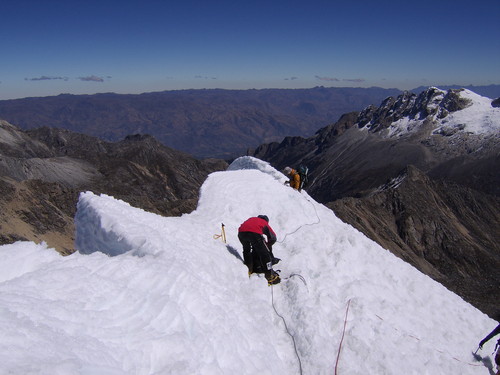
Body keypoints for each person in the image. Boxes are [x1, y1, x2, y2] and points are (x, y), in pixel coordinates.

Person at [238, 215, 281, 285]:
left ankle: (249, 269)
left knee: (247, 250)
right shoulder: (264, 223)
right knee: (264, 254)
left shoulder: (252, 219)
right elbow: (273, 238)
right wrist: (267, 245)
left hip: (241, 232)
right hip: (254, 233)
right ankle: (270, 276)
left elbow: (247, 227)